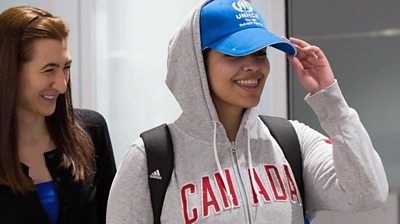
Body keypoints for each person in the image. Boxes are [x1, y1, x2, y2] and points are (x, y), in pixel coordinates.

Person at [106, 0, 388, 223]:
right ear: (196, 64)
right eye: (234, 54)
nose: (252, 65)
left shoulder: (292, 142)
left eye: (260, 53)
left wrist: (329, 99)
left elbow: (367, 193)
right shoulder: (150, 158)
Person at [0, 6, 116, 224]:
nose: (62, 85)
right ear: (9, 71)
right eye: (49, 69)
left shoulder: (92, 131)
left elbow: (115, 218)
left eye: (66, 67)